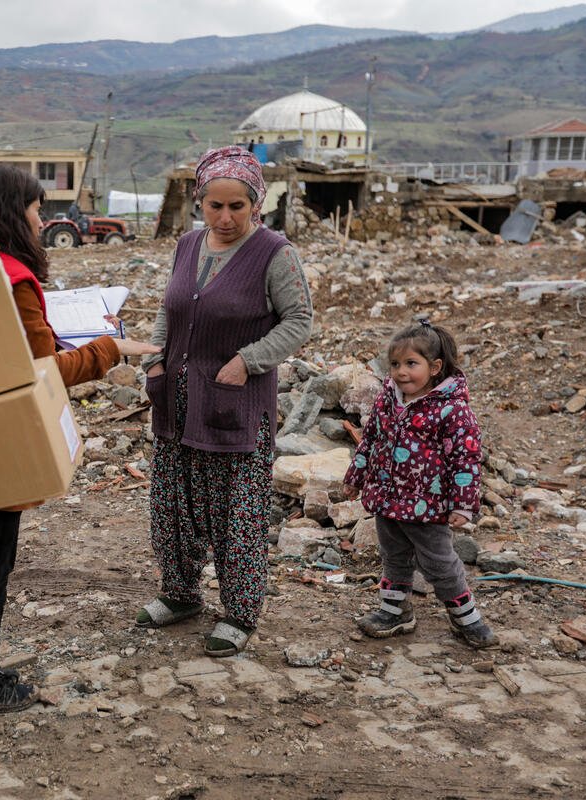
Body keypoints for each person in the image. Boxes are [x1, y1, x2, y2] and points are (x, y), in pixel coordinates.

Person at [0, 164, 159, 715]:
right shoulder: (14, 279)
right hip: (3, 434)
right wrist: (112, 350)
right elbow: (44, 370)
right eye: (37, 211)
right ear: (15, 214)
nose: (42, 222)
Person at [137, 146, 313, 657]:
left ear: (257, 202)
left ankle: (239, 612)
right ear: (200, 203)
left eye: (238, 206)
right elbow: (170, 308)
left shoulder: (275, 253)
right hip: (177, 404)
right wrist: (153, 357)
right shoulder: (188, 245)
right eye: (215, 206)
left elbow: (299, 321)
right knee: (173, 508)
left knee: (236, 514)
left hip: (236, 407)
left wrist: (249, 359)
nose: (227, 217)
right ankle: (180, 594)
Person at [342, 320, 498, 649]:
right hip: (387, 499)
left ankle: (465, 616)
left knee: (439, 562)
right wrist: (356, 476)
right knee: (394, 556)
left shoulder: (452, 410)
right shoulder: (388, 401)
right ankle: (395, 611)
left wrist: (463, 505)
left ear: (435, 367)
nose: (401, 372)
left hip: (428, 505)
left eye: (411, 364)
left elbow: (465, 460)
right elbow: (369, 439)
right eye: (395, 364)